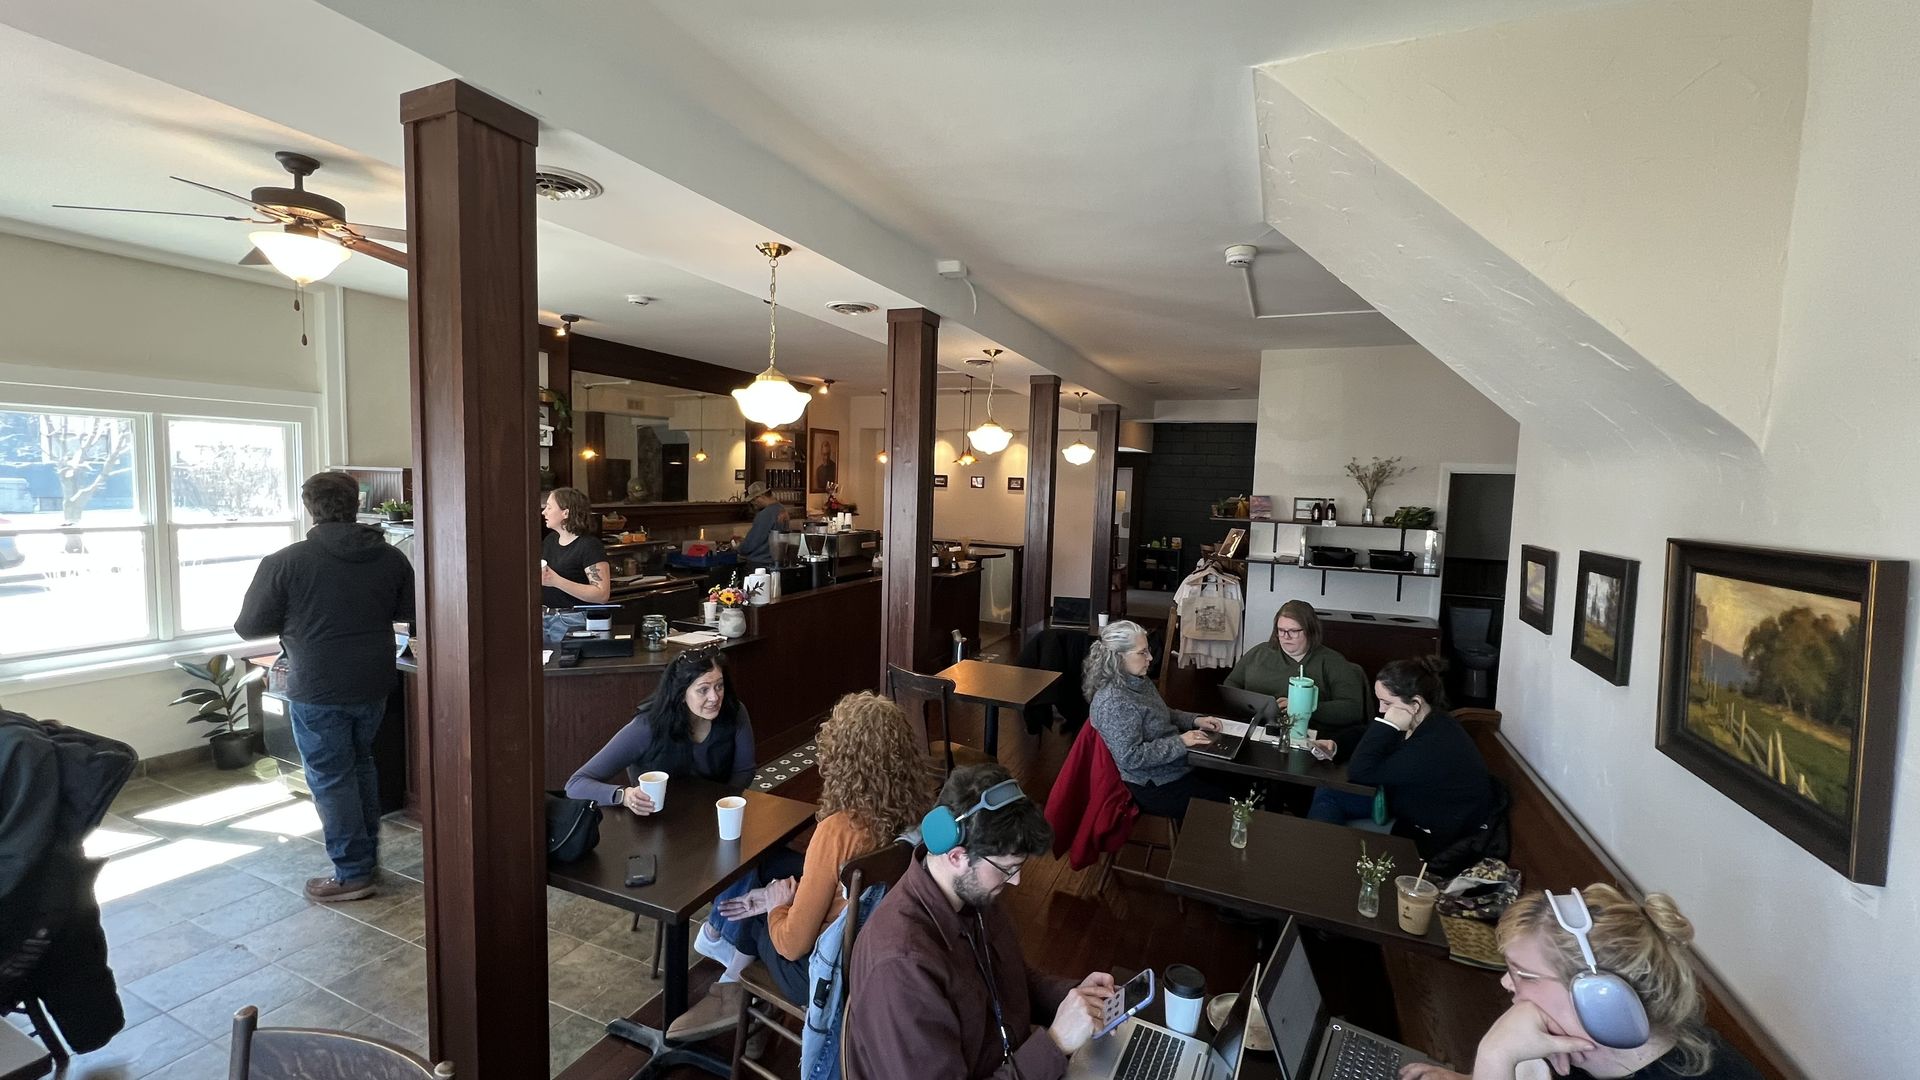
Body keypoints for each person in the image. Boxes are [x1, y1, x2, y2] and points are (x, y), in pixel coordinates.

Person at [665, 691, 934, 1042]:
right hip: (872, 955)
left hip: (823, 973)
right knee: (773, 877)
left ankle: (734, 994)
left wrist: (775, 906)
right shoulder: (918, 812)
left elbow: (792, 945)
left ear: (842, 758)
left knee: (760, 914)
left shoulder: (839, 830)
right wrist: (783, 896)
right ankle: (747, 1009)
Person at [845, 763, 1115, 1080]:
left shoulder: (973, 894)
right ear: (956, 856)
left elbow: (1013, 981)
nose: (1015, 881)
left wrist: (1080, 1000)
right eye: (1007, 868)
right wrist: (1055, 1044)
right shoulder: (901, 966)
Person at [235, 471, 413, 902]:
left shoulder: (286, 562)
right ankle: (364, 861)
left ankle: (353, 874)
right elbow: (408, 610)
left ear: (309, 507)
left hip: (318, 684)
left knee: (331, 777)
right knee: (360, 764)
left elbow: (250, 626)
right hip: (374, 679)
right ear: (355, 504)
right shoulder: (390, 557)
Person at [1400, 885, 1763, 1080]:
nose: (1507, 983)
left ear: (1601, 997)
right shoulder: (1577, 1044)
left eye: (1524, 974)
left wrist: (1495, 1055)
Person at [1312, 656, 1495, 860]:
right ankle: (1323, 856)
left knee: (1330, 797)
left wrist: (1387, 725)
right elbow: (1368, 733)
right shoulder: (1427, 720)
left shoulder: (1433, 744)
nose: (1381, 709)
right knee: (1328, 791)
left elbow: (1361, 771)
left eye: (1387, 703)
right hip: (1407, 801)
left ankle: (1322, 859)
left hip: (1429, 835)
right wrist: (1336, 744)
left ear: (1415, 703)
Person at [565, 645, 755, 808]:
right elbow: (575, 785)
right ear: (681, 694)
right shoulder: (646, 727)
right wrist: (624, 795)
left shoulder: (734, 711)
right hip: (658, 819)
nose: (714, 697)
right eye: (703, 690)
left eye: (719, 686)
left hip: (713, 814)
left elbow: (744, 771)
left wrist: (725, 803)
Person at [1084, 619, 1229, 822]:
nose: (1150, 658)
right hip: (1152, 784)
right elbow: (1131, 757)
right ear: (1118, 657)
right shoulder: (1114, 702)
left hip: (1172, 767)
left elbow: (1159, 712)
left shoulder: (1137, 681)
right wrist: (1181, 741)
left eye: (1148, 650)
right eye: (1142, 653)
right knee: (1225, 803)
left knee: (1234, 780)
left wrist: (1195, 720)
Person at [1224, 600, 1369, 751]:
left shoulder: (1332, 662)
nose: (1286, 637)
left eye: (1293, 631)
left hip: (1309, 740)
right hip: (1257, 732)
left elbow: (1353, 709)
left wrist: (1303, 707)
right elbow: (1231, 684)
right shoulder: (1259, 653)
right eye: (1281, 630)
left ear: (1310, 631)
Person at [539, 486, 610, 645]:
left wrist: (556, 581)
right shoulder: (550, 541)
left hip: (573, 620)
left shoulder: (589, 545)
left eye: (549, 507)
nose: (544, 512)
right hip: (544, 617)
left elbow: (602, 594)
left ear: (565, 513)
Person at [735, 480, 789, 568]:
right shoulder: (782, 509)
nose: (753, 503)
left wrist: (739, 548)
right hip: (776, 562)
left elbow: (753, 542)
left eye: (753, 500)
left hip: (760, 562)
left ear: (761, 496)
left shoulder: (766, 514)